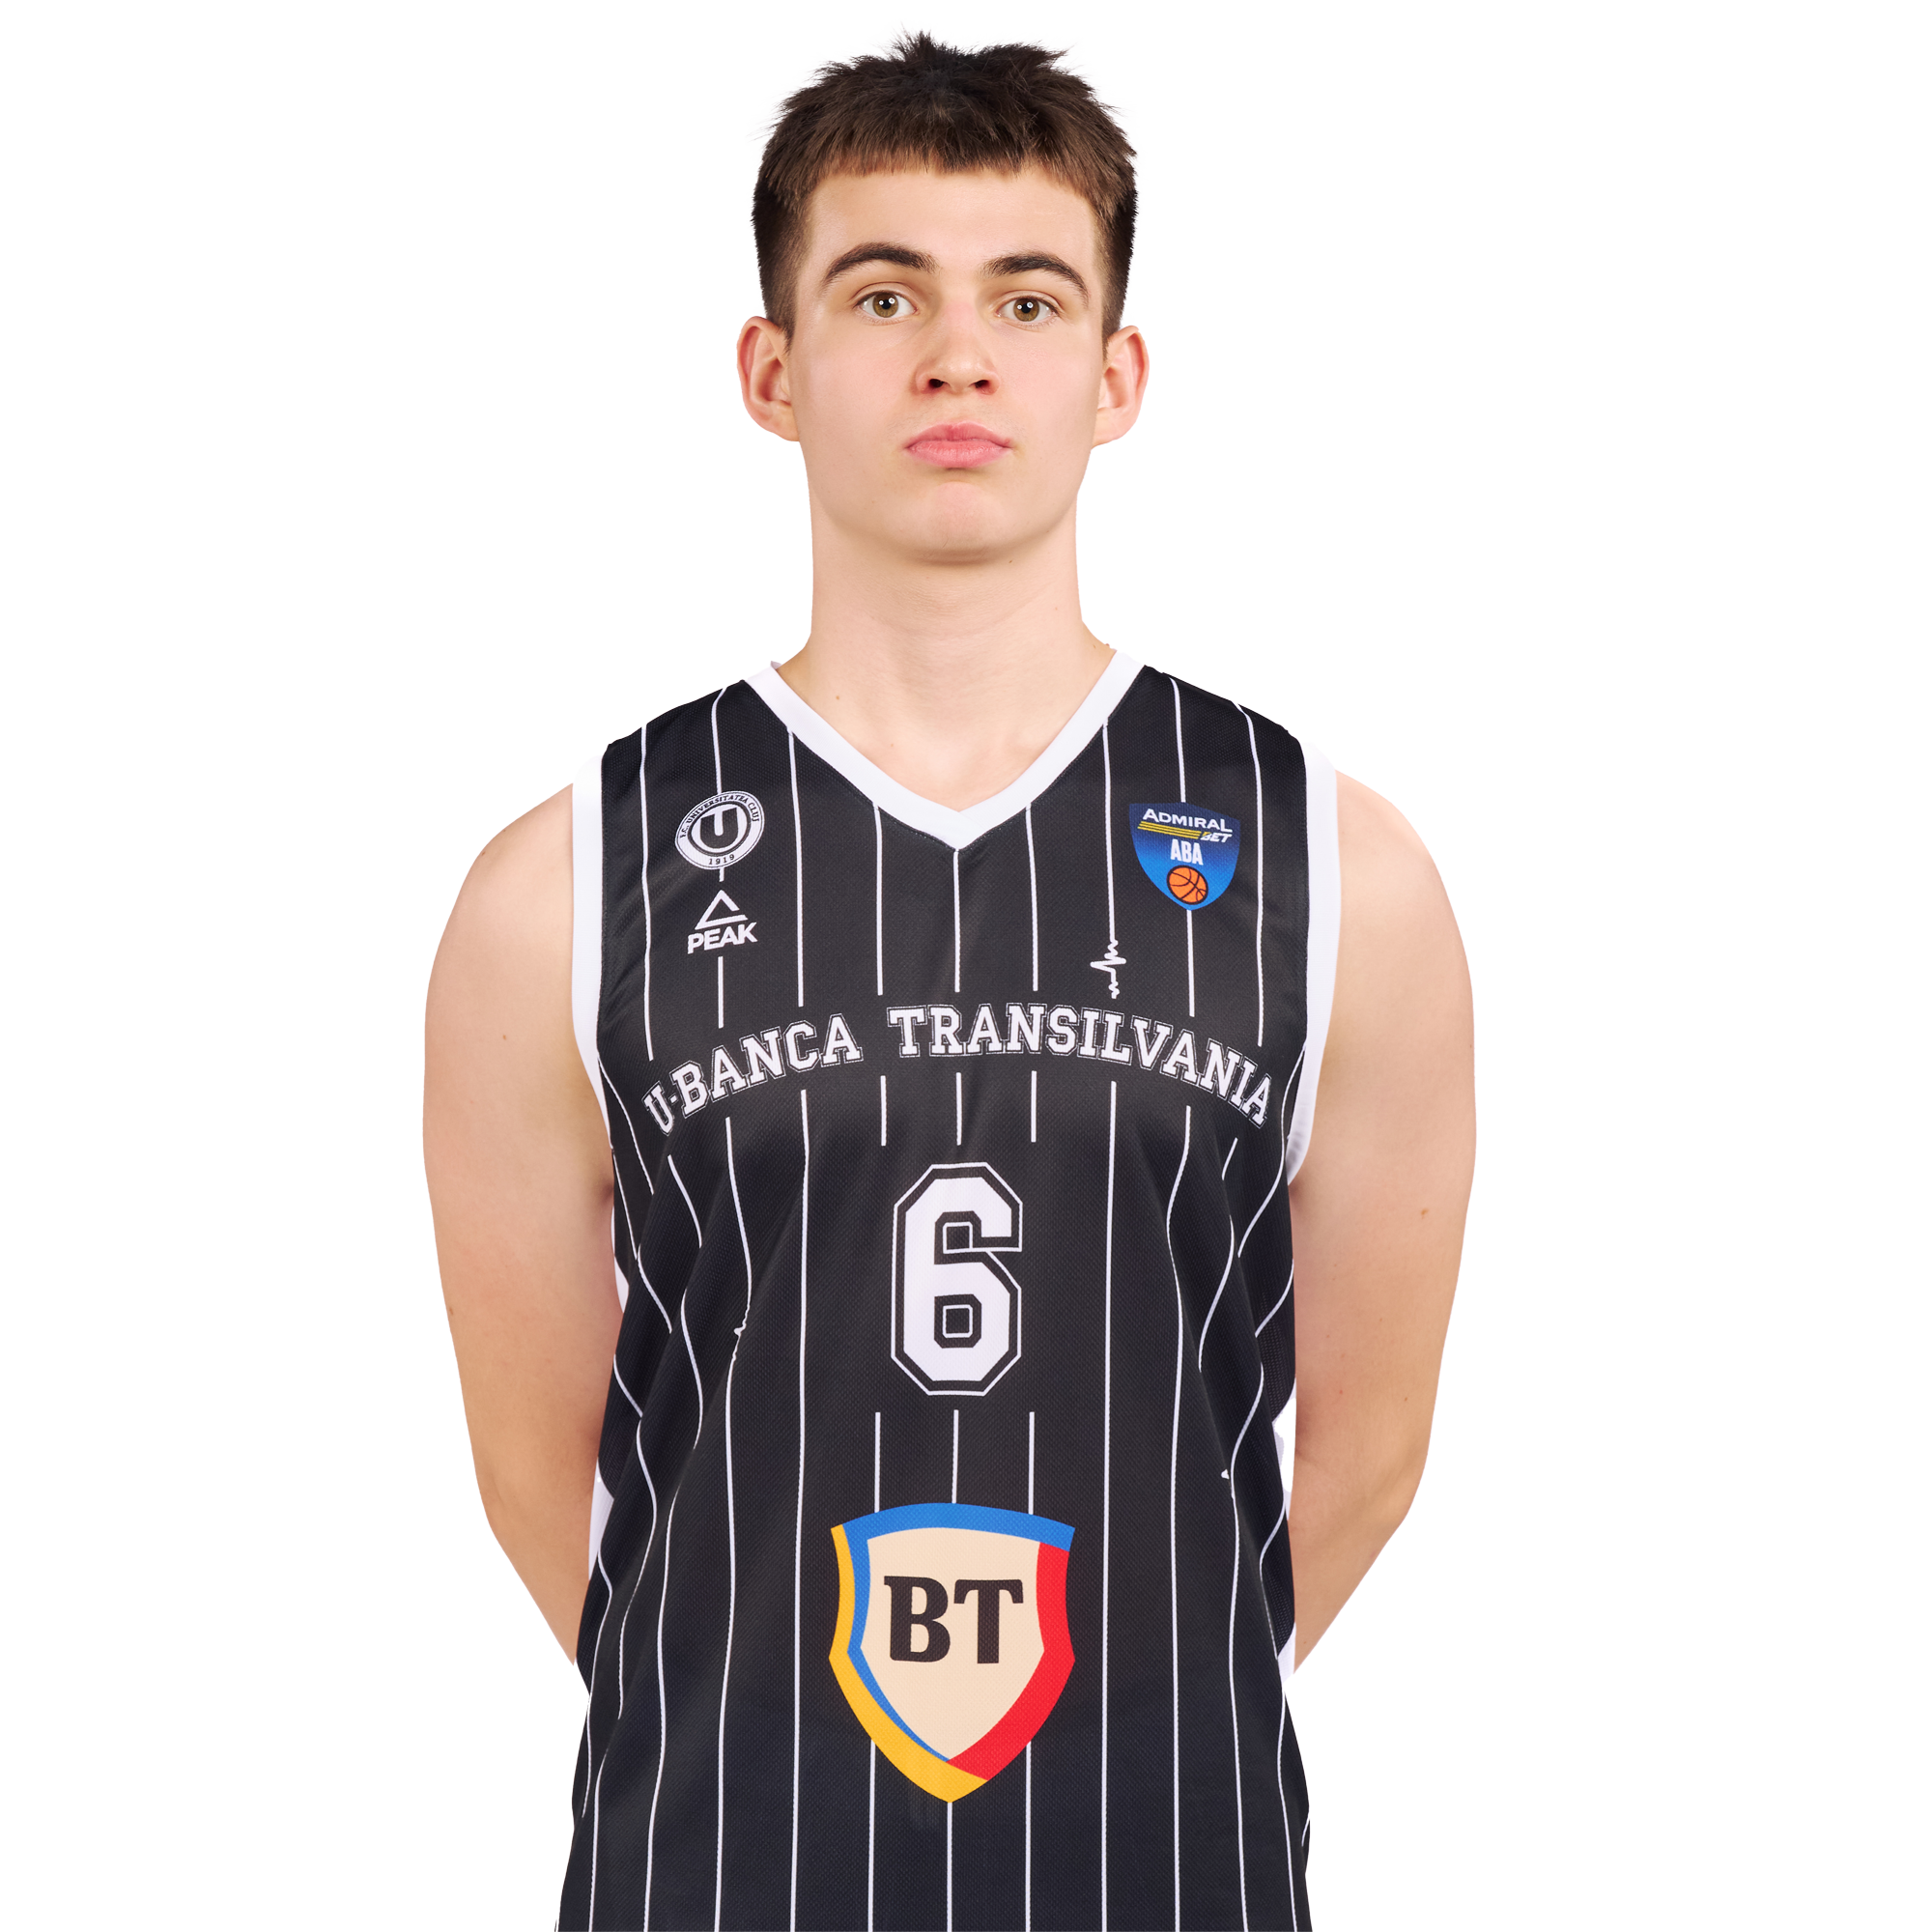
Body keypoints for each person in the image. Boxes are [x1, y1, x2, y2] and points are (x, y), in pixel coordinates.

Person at [423, 28, 1472, 1930]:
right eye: (884, 291)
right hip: (717, 1871)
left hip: (1167, 1867)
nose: (958, 355)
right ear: (774, 369)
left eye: (1028, 297)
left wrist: (1129, 1717)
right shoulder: (561, 886)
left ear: (1115, 374)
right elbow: (536, 1474)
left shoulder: (1336, 866)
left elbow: (1370, 1449)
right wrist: (766, 1733)